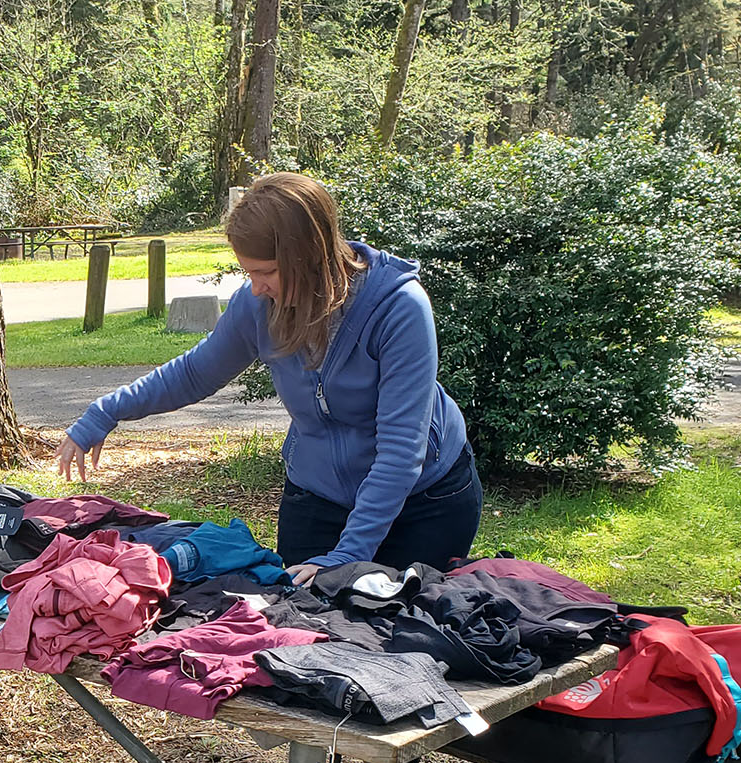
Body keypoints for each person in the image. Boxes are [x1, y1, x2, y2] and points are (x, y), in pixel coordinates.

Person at [57, 171, 482, 584]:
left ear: (308, 255)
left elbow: (400, 451)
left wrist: (349, 557)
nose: (256, 288)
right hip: (319, 496)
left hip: (424, 501)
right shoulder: (257, 305)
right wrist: (104, 412)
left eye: (267, 272)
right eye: (249, 274)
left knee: (404, 637)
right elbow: (193, 373)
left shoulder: (399, 308)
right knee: (304, 633)